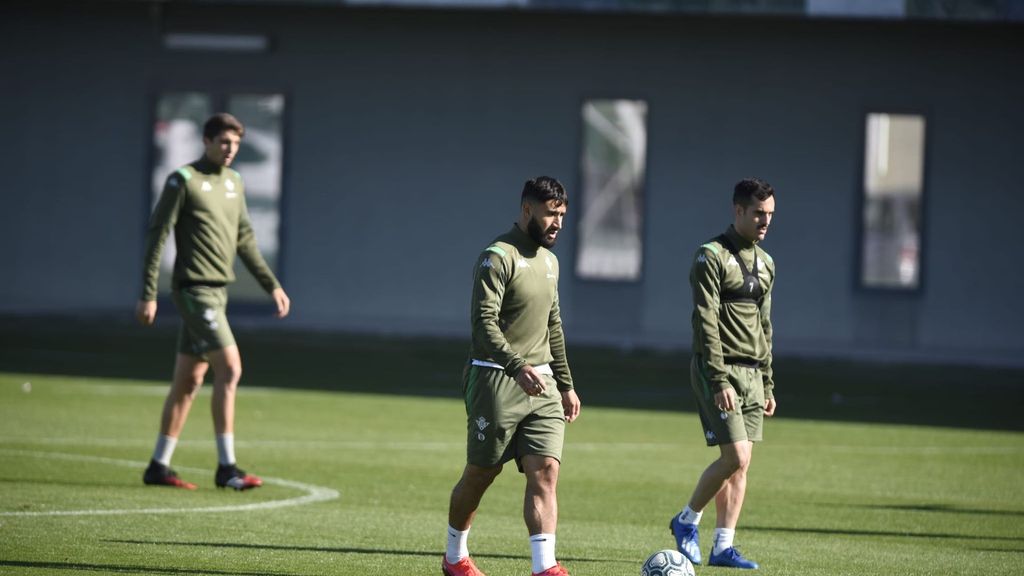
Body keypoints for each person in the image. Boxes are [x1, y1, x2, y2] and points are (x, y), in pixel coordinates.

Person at [136, 112, 290, 491]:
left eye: (236, 144)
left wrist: (271, 285)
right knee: (231, 369)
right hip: (193, 292)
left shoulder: (235, 182)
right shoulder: (183, 180)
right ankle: (227, 468)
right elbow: (157, 236)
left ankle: (158, 465)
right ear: (206, 142)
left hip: (217, 294)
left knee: (189, 380)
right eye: (224, 142)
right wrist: (148, 293)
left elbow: (245, 240)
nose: (230, 149)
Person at [442, 177, 582, 576]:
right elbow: (483, 324)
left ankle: (544, 567)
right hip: (495, 379)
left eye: (562, 216)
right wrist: (516, 365)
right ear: (527, 210)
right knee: (482, 472)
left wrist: (567, 384)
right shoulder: (497, 256)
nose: (557, 223)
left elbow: (553, 325)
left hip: (544, 385)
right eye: (550, 214)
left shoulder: (551, 262)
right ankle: (454, 557)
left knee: (546, 470)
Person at [670, 178, 777, 570]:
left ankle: (722, 547)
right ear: (738, 211)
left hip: (752, 374)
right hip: (720, 369)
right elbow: (706, 320)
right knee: (734, 455)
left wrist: (767, 382)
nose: (765, 221)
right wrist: (717, 379)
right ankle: (687, 521)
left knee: (742, 463)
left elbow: (765, 326)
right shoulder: (710, 256)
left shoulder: (766, 263)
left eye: (769, 215)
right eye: (758, 214)